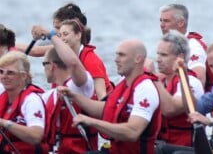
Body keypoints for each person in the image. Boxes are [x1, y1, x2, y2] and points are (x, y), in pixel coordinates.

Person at [58, 39, 161, 154]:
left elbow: (132, 132)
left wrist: (92, 122)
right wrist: (73, 96)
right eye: (116, 55)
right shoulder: (124, 84)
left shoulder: (145, 89)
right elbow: (105, 109)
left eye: (121, 55)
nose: (116, 60)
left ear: (138, 59)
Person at [32, 24, 98, 153]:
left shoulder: (80, 85)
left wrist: (51, 35)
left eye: (43, 64)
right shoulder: (49, 95)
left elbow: (73, 63)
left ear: (51, 66)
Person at [154, 30, 204, 153]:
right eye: (158, 54)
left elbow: (170, 109)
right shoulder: (162, 81)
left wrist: (153, 79)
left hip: (185, 149)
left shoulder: (191, 82)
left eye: (164, 55)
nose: (158, 60)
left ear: (180, 57)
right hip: (161, 145)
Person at [0, 51, 49, 153]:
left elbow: (36, 136)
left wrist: (4, 123)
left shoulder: (31, 100)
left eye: (10, 73)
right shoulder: (3, 96)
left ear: (24, 76)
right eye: (1, 72)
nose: (4, 76)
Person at [159, 4, 213, 92]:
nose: (161, 25)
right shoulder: (169, 45)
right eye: (160, 20)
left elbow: (199, 80)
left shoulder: (193, 46)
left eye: (166, 21)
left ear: (181, 23)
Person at [16, 2, 88, 56]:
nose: (56, 32)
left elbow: (35, 51)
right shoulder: (65, 45)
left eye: (59, 28)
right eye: (55, 27)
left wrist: (8, 42)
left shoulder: (71, 47)